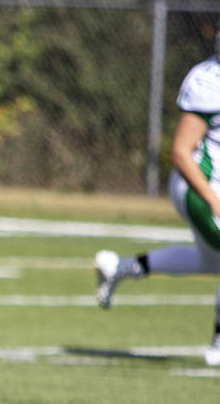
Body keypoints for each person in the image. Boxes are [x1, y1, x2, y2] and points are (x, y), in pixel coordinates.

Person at [93, 33, 220, 367]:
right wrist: (212, 200)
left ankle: (121, 268)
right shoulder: (210, 81)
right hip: (201, 186)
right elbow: (180, 152)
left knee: (210, 263)